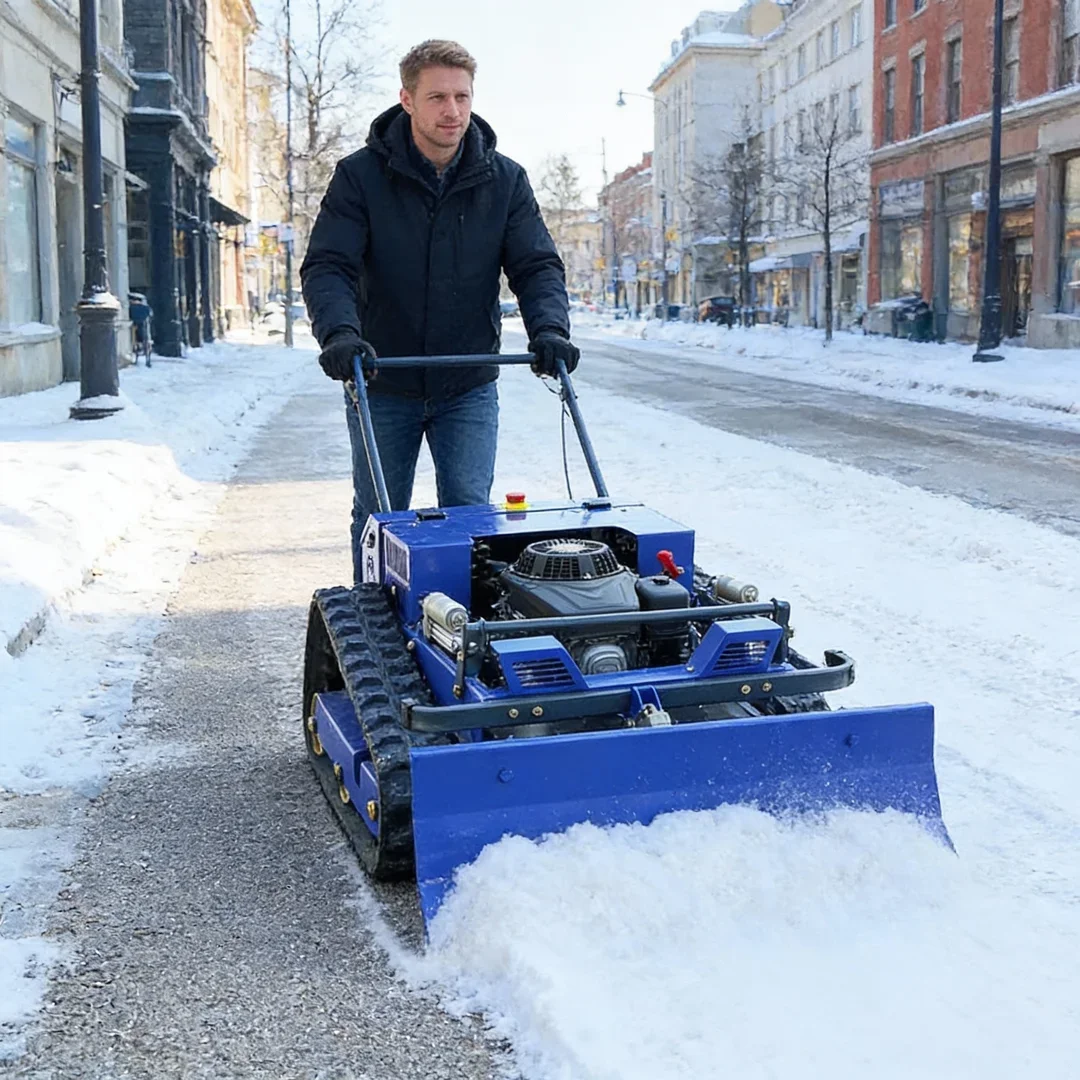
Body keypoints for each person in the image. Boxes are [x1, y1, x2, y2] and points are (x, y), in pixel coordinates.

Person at [300, 39, 580, 583]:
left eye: (461, 97)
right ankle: (373, 625)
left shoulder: (505, 180)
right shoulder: (360, 177)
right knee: (381, 516)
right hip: (381, 378)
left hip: (467, 381)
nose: (452, 111)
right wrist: (339, 333)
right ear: (407, 100)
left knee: (470, 514)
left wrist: (549, 328)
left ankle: (461, 631)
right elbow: (328, 265)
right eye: (437, 98)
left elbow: (536, 266)